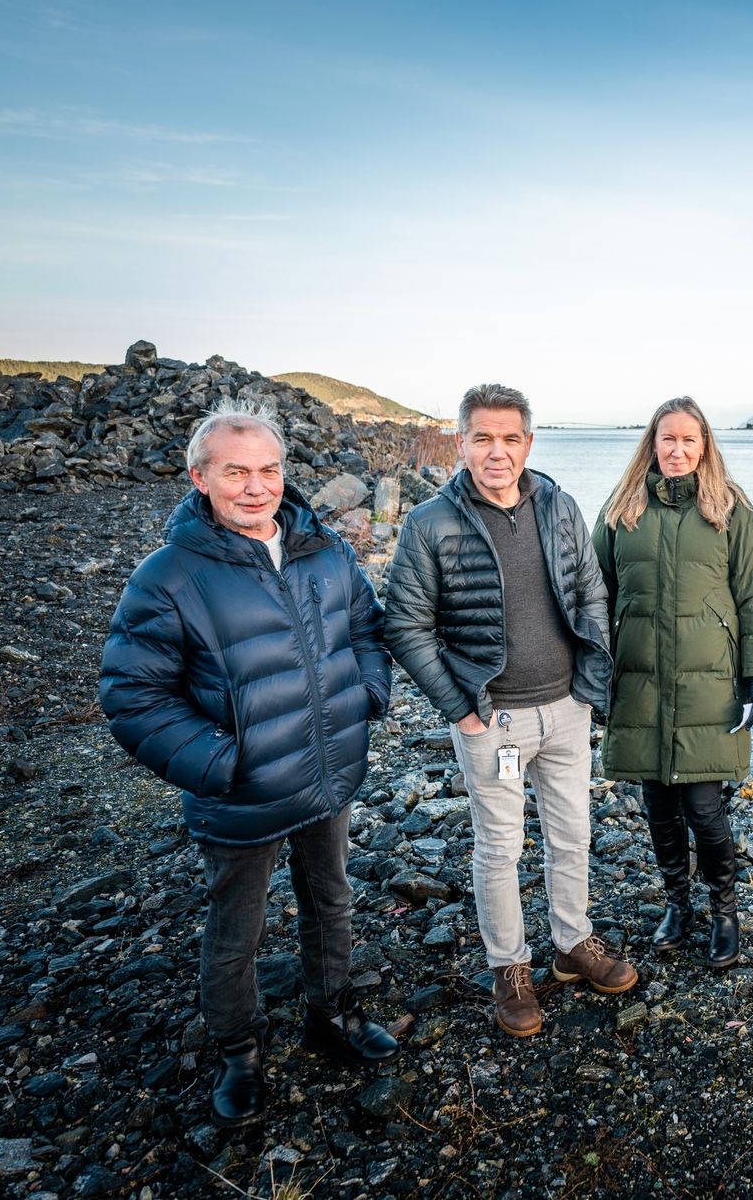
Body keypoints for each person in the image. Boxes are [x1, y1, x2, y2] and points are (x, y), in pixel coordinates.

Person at [100, 399, 398, 1128]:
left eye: (268, 470)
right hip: (242, 794)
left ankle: (332, 1015)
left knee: (331, 901)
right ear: (200, 477)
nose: (256, 486)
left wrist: (366, 697)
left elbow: (365, 626)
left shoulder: (322, 549)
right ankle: (239, 1050)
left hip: (328, 774)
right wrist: (224, 764)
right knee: (237, 930)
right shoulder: (168, 575)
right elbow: (132, 696)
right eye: (236, 472)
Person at [382, 383, 635, 1038]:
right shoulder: (430, 523)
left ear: (528, 442)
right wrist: (461, 709)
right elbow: (406, 627)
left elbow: (591, 595)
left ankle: (573, 943)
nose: (498, 451)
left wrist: (590, 678)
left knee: (572, 833)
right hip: (493, 719)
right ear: (460, 441)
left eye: (511, 438)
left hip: (567, 708)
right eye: (484, 438)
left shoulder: (558, 506)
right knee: (500, 846)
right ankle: (510, 967)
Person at [592, 397, 753, 970]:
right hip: (640, 684)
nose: (677, 450)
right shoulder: (622, 509)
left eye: (688, 441)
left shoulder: (729, 509)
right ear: (652, 443)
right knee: (657, 806)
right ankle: (678, 904)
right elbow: (593, 597)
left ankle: (724, 910)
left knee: (703, 808)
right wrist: (593, 672)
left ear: (705, 447)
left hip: (710, 687)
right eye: (667, 439)